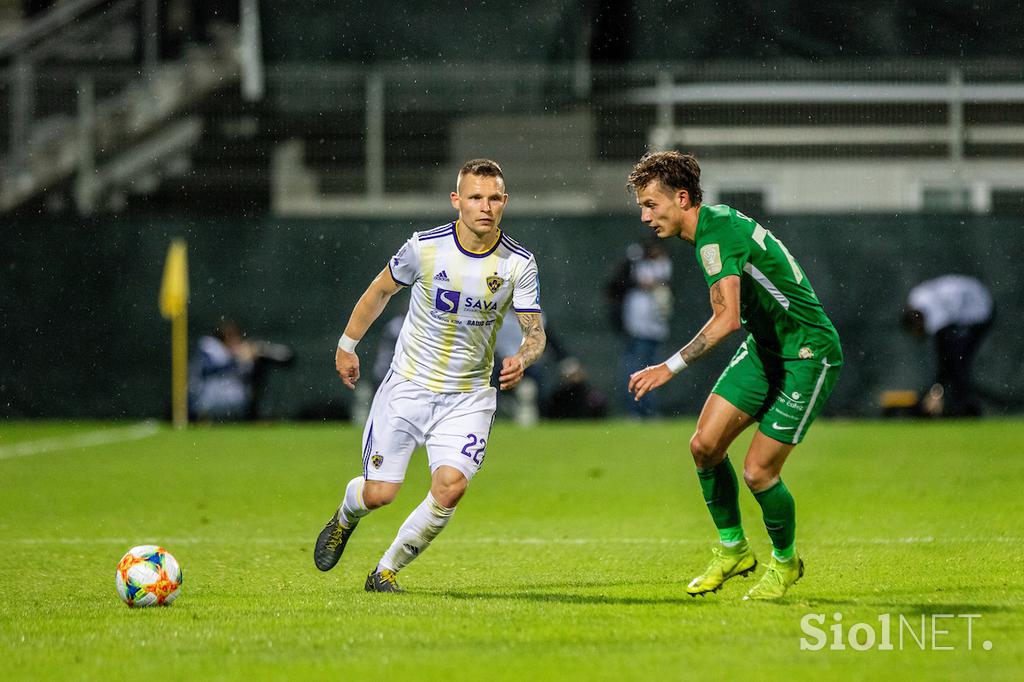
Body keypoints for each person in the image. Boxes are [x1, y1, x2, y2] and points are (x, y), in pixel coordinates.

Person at [313, 159, 546, 592]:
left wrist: (523, 358)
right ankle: (346, 516)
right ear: (457, 200)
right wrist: (347, 345)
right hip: (409, 386)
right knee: (381, 493)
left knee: (450, 488)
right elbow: (380, 289)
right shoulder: (425, 247)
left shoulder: (518, 263)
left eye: (494, 198)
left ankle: (384, 572)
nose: (485, 207)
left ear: (505, 202)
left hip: (468, 396)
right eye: (475, 197)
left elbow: (535, 333)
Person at [625, 151, 843, 601]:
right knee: (704, 446)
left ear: (681, 198)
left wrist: (668, 367)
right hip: (765, 350)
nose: (644, 216)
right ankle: (734, 550)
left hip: (806, 354)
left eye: (651, 204)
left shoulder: (715, 236)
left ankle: (785, 564)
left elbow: (725, 320)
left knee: (759, 472)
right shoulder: (712, 227)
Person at [902, 275, 994, 417]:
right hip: (969, 302)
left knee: (957, 362)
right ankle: (960, 403)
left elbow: (944, 356)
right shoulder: (917, 297)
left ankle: (964, 406)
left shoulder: (935, 315)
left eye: (918, 330)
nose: (921, 334)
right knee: (956, 363)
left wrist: (935, 392)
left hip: (979, 310)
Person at [188, 319, 293, 420]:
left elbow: (286, 357)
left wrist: (259, 353)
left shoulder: (239, 352)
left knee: (258, 368)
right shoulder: (209, 347)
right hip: (206, 400)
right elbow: (209, 370)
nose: (236, 341)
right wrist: (235, 359)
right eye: (233, 337)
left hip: (232, 402)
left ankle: (257, 417)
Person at [620, 240, 673, 418]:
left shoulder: (663, 264)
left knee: (653, 370)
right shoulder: (636, 264)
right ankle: (635, 409)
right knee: (636, 368)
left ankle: (648, 410)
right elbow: (627, 280)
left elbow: (661, 279)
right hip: (638, 328)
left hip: (656, 327)